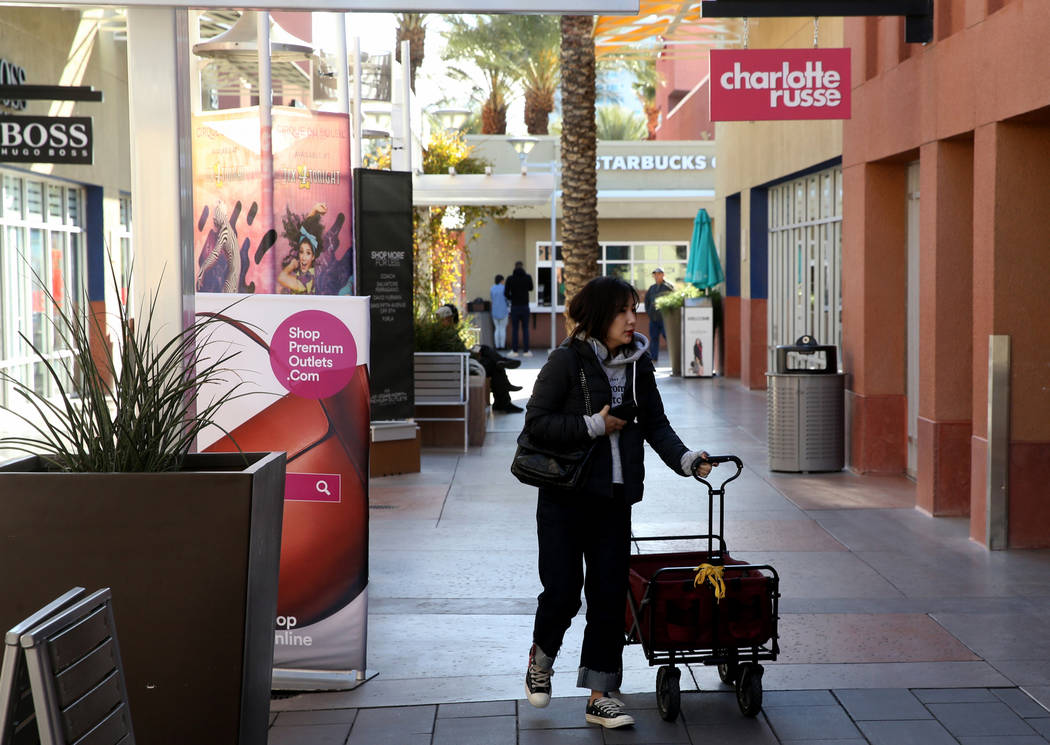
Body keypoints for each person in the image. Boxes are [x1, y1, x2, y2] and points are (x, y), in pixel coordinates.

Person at [519, 275, 713, 729]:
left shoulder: (638, 364)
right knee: (563, 593)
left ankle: (601, 695)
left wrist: (686, 459)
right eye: (624, 310)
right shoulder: (565, 362)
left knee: (608, 596)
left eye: (635, 309)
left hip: (614, 498)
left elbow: (657, 423)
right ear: (600, 316)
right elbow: (536, 425)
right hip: (565, 498)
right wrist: (592, 426)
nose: (633, 318)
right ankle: (541, 659)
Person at [436, 304, 524, 413]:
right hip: (464, 366)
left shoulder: (443, 333)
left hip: (462, 362)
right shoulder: (446, 335)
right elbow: (458, 354)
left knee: (485, 350)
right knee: (494, 364)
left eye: (451, 318)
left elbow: (458, 352)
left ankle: (503, 398)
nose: (452, 321)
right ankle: (503, 399)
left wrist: (471, 351)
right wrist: (472, 354)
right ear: (443, 319)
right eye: (449, 319)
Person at [643, 267, 674, 364]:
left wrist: (669, 315)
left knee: (669, 338)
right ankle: (654, 358)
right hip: (653, 319)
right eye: (655, 274)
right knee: (654, 338)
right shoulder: (652, 288)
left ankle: (675, 358)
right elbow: (647, 301)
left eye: (658, 274)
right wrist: (649, 312)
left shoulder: (668, 287)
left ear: (663, 275)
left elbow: (673, 302)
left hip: (665, 319)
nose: (656, 276)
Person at [278, 227, 320, 294]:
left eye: (308, 253)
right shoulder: (302, 275)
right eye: (301, 252)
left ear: (313, 257)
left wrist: (291, 266)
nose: (303, 257)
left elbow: (281, 278)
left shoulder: (308, 277)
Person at [504, 261, 534, 357]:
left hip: (515, 307)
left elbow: (506, 293)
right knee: (525, 329)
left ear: (514, 267)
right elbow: (531, 288)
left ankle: (515, 351)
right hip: (525, 306)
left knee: (515, 330)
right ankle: (526, 351)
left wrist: (511, 298)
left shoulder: (510, 278)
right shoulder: (528, 277)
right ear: (522, 267)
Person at [490, 274, 509, 350]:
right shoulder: (504, 288)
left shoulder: (492, 288)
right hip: (503, 311)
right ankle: (502, 345)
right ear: (501, 280)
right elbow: (507, 299)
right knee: (503, 329)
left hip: (495, 311)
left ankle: (497, 346)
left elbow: (492, 298)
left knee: (497, 329)